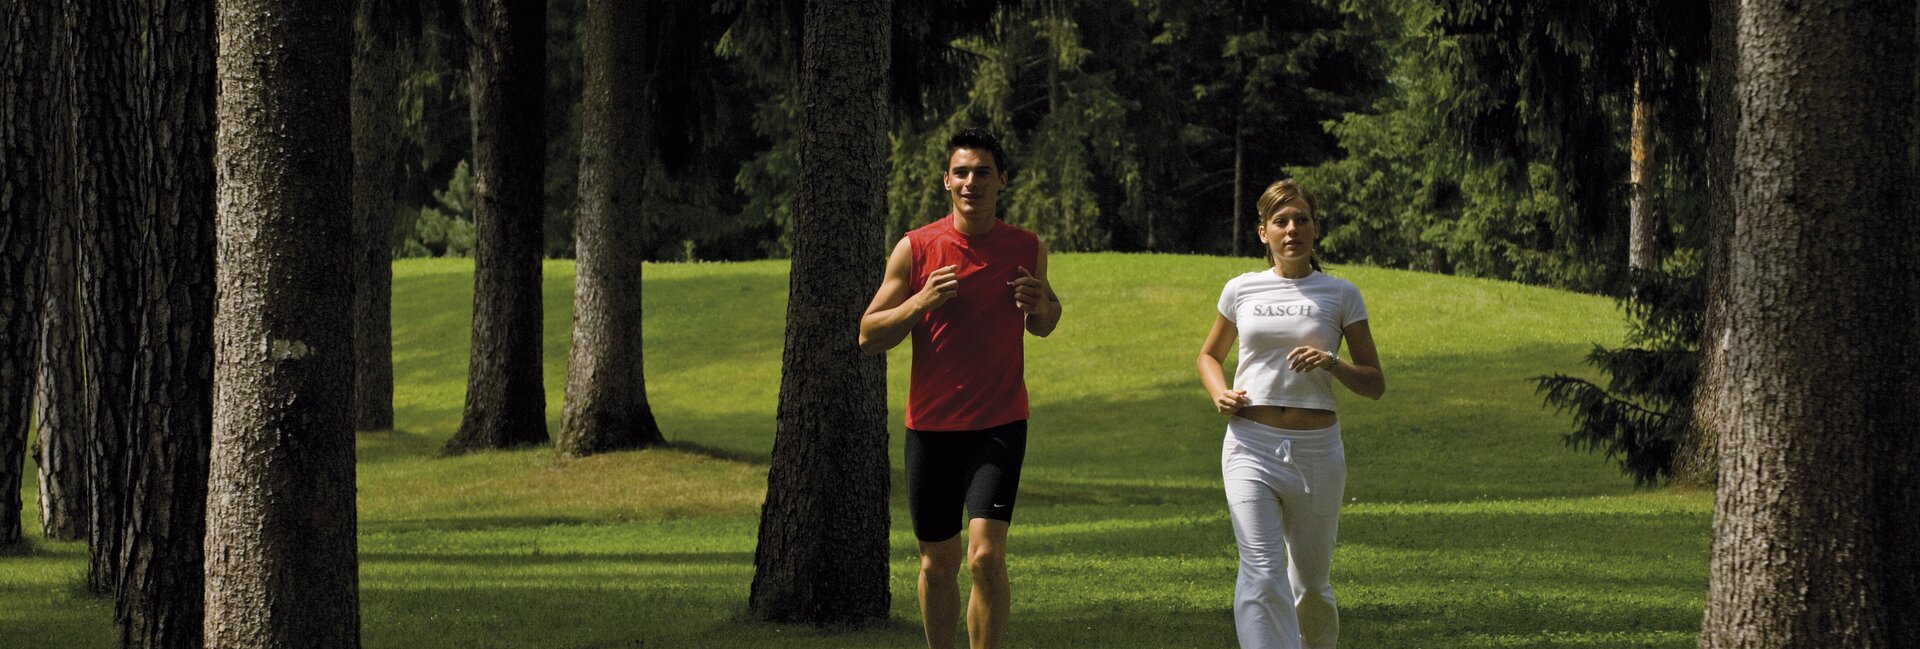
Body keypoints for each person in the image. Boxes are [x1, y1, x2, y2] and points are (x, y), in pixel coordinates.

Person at [860, 128, 1062, 649]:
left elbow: (1044, 322)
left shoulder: (1026, 246)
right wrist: (919, 303)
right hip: (930, 428)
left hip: (999, 424)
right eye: (963, 172)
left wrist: (1040, 304)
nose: (973, 181)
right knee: (936, 564)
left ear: (1003, 180)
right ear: (947, 180)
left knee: (985, 556)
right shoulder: (916, 247)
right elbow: (867, 334)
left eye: (984, 172)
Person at [1195, 178, 1385, 649]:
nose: (1292, 229)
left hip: (1317, 451)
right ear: (1263, 233)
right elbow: (1208, 356)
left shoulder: (1341, 294)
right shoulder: (1241, 290)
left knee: (1311, 586)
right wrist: (1219, 393)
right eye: (1280, 221)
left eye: (1301, 219)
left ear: (1316, 229)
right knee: (1260, 573)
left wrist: (1332, 362)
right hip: (1249, 445)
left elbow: (1375, 383)